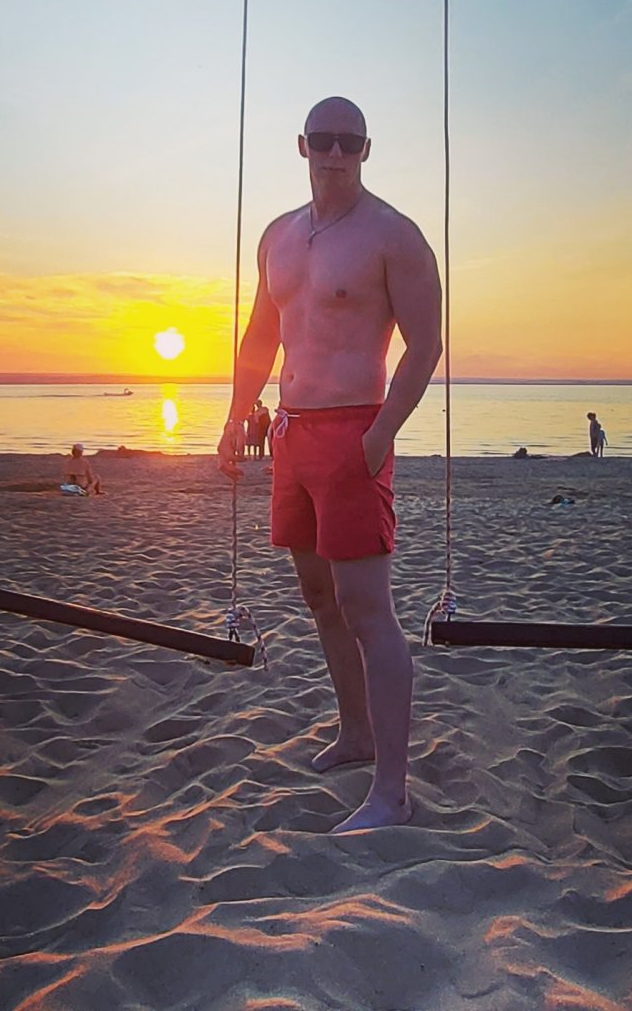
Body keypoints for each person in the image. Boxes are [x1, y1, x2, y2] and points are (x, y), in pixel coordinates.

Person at [218, 97, 442, 834]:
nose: (335, 153)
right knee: (320, 597)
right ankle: (355, 733)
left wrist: (381, 435)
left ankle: (392, 793)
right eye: (323, 140)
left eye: (349, 141)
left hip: (355, 432)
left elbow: (425, 345)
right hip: (292, 432)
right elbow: (261, 334)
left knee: (368, 608)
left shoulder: (393, 234)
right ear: (303, 146)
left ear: (367, 149)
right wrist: (235, 416)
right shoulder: (277, 236)